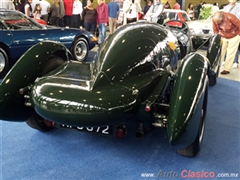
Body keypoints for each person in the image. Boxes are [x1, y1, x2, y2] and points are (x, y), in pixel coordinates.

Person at [223, 0, 240, 68]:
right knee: (225, 46)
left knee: (233, 47)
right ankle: (225, 60)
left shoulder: (238, 6)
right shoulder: (225, 7)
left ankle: (235, 61)